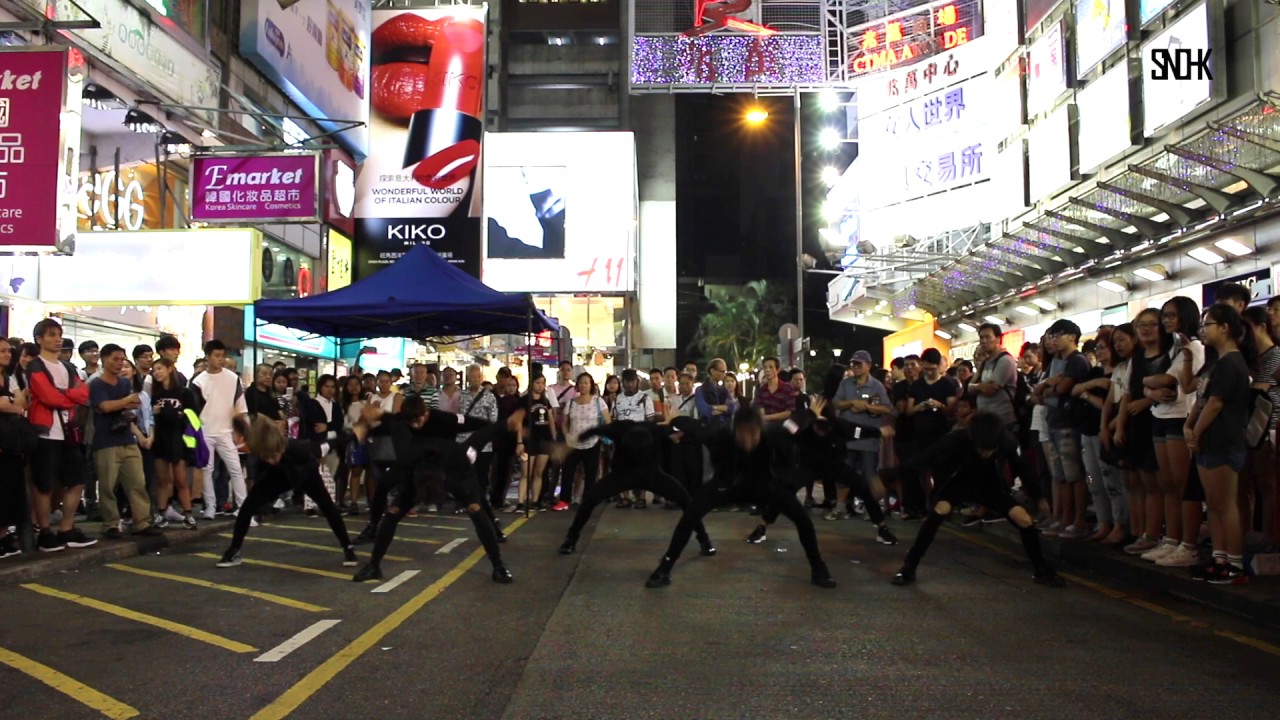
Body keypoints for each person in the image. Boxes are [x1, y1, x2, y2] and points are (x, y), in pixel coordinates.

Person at [645, 407, 836, 589]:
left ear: (761, 430)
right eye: (742, 434)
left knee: (803, 519)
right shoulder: (720, 437)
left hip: (765, 487)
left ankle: (818, 568)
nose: (748, 440)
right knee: (690, 516)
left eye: (753, 434)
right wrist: (673, 423)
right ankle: (665, 568)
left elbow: (796, 422)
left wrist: (812, 413)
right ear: (734, 430)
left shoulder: (776, 434)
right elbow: (692, 427)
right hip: (728, 486)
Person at [349, 397, 513, 583]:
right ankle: (373, 565)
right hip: (417, 472)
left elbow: (480, 433)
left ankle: (498, 565)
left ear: (426, 413)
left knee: (477, 510)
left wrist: (506, 424)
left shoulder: (455, 445)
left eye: (418, 420)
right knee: (392, 513)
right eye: (411, 421)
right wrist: (362, 428)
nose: (416, 425)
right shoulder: (406, 451)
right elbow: (389, 422)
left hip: (453, 472)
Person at [892, 412, 1064, 587]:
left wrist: (1039, 496)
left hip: (991, 487)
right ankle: (909, 567)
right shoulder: (955, 439)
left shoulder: (1007, 441)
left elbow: (1024, 469)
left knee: (1024, 519)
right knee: (939, 511)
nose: (985, 453)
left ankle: (1041, 569)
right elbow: (923, 460)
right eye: (981, 449)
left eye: (989, 450)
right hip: (957, 484)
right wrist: (889, 477)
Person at [558, 414, 717, 558]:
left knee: (686, 501)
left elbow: (689, 430)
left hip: (651, 474)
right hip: (623, 474)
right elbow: (592, 431)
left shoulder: (656, 430)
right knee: (590, 499)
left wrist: (683, 433)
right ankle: (570, 539)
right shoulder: (617, 429)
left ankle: (704, 540)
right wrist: (569, 446)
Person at [216, 415, 358, 569]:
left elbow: (328, 445)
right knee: (247, 507)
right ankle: (234, 551)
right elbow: (249, 432)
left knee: (328, 508)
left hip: (305, 475)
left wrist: (350, 436)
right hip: (277, 477)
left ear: (281, 448)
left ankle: (348, 548)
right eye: (266, 457)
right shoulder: (264, 456)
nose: (271, 460)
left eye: (273, 455)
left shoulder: (300, 449)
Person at [1187, 303, 1254, 584]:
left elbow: (1215, 404)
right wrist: (1190, 425)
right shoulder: (1215, 361)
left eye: (1208, 324)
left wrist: (1196, 431)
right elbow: (1202, 398)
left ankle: (1235, 564)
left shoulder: (1232, 362)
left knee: (1225, 504)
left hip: (1224, 440)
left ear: (1225, 328)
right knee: (1213, 504)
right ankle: (1219, 558)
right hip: (1208, 440)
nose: (1203, 330)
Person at [26, 319, 97, 552]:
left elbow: (83, 392)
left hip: (69, 432)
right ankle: (45, 532)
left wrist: (63, 394)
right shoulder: (35, 365)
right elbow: (48, 397)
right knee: (45, 485)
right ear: (39, 339)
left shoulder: (68, 368)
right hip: (45, 432)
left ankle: (67, 528)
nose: (57, 339)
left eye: (59, 334)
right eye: (51, 335)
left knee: (77, 480)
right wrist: (68, 396)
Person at [89, 344, 159, 539]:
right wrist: (123, 402)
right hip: (105, 440)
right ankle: (110, 523)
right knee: (107, 485)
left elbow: (135, 403)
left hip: (127, 436)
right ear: (104, 359)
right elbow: (104, 406)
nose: (119, 364)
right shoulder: (96, 384)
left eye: (122, 359)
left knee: (137, 481)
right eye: (115, 359)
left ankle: (142, 522)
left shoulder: (124, 383)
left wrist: (122, 403)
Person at [1036, 319, 1092, 539]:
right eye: (1051, 336)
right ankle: (1062, 518)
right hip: (1054, 421)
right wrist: (1049, 385)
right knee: (1058, 475)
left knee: (1074, 474)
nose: (1053, 340)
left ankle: (1077, 521)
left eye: (1057, 335)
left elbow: (1062, 388)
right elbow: (1040, 392)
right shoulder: (1056, 361)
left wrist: (1050, 387)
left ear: (1072, 336)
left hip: (1069, 423)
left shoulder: (1077, 361)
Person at [828, 350, 893, 520]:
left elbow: (887, 408)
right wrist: (851, 403)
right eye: (853, 364)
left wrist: (866, 406)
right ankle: (840, 507)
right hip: (848, 438)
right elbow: (836, 403)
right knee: (844, 472)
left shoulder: (877, 386)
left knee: (869, 474)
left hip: (868, 438)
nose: (855, 367)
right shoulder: (846, 384)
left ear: (868, 366)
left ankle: (873, 508)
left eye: (859, 364)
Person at [190, 340, 250, 520]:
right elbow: (191, 411)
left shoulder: (233, 379)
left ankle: (243, 508)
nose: (220, 359)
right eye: (217, 356)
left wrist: (242, 431)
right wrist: (195, 432)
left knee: (235, 469)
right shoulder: (198, 381)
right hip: (205, 430)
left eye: (222, 356)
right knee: (207, 470)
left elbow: (241, 407)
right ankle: (210, 507)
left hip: (225, 431)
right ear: (207, 357)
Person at [1242, 307, 1278, 547]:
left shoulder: (1275, 356)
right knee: (1254, 485)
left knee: (1269, 484)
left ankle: (1271, 535)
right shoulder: (1253, 359)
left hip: (1270, 428)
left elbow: (1257, 390)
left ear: (1262, 327)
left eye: (1247, 329)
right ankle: (1255, 533)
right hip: (1253, 429)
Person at [150, 358, 198, 529]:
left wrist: (180, 415)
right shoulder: (154, 395)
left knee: (181, 479)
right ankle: (161, 513)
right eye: (154, 370)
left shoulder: (184, 393)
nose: (157, 373)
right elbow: (150, 419)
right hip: (160, 439)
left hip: (178, 439)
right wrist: (156, 412)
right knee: (162, 479)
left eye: (160, 368)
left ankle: (188, 514)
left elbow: (194, 417)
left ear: (170, 369)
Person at [560, 373, 609, 508]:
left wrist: (599, 434)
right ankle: (564, 500)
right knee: (568, 472)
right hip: (573, 443)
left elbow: (607, 420)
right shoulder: (571, 403)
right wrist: (567, 436)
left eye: (586, 383)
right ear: (577, 385)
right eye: (581, 382)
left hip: (592, 442)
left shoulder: (599, 401)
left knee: (591, 473)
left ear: (591, 385)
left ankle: (588, 501)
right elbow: (564, 422)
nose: (583, 385)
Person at [0, 337, 29, 559]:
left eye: (8, 351)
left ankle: (4, 536)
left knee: (11, 490)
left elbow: (20, 403)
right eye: (2, 351)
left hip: (11, 442)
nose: (7, 355)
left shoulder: (10, 378)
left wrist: (13, 406)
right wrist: (13, 405)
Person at [514, 374, 558, 512]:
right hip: (528, 441)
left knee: (539, 472)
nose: (540, 386)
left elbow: (550, 419)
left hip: (544, 440)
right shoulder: (524, 401)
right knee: (526, 472)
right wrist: (519, 441)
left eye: (543, 383)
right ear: (532, 383)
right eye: (538, 382)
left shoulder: (546, 401)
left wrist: (553, 438)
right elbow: (519, 422)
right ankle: (521, 502)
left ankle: (535, 501)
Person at [754, 356, 796, 425]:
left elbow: (789, 412)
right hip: (766, 427)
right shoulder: (761, 390)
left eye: (771, 367)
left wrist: (767, 417)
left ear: (777, 370)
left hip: (784, 426)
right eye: (765, 367)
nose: (767, 370)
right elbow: (761, 410)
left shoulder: (788, 388)